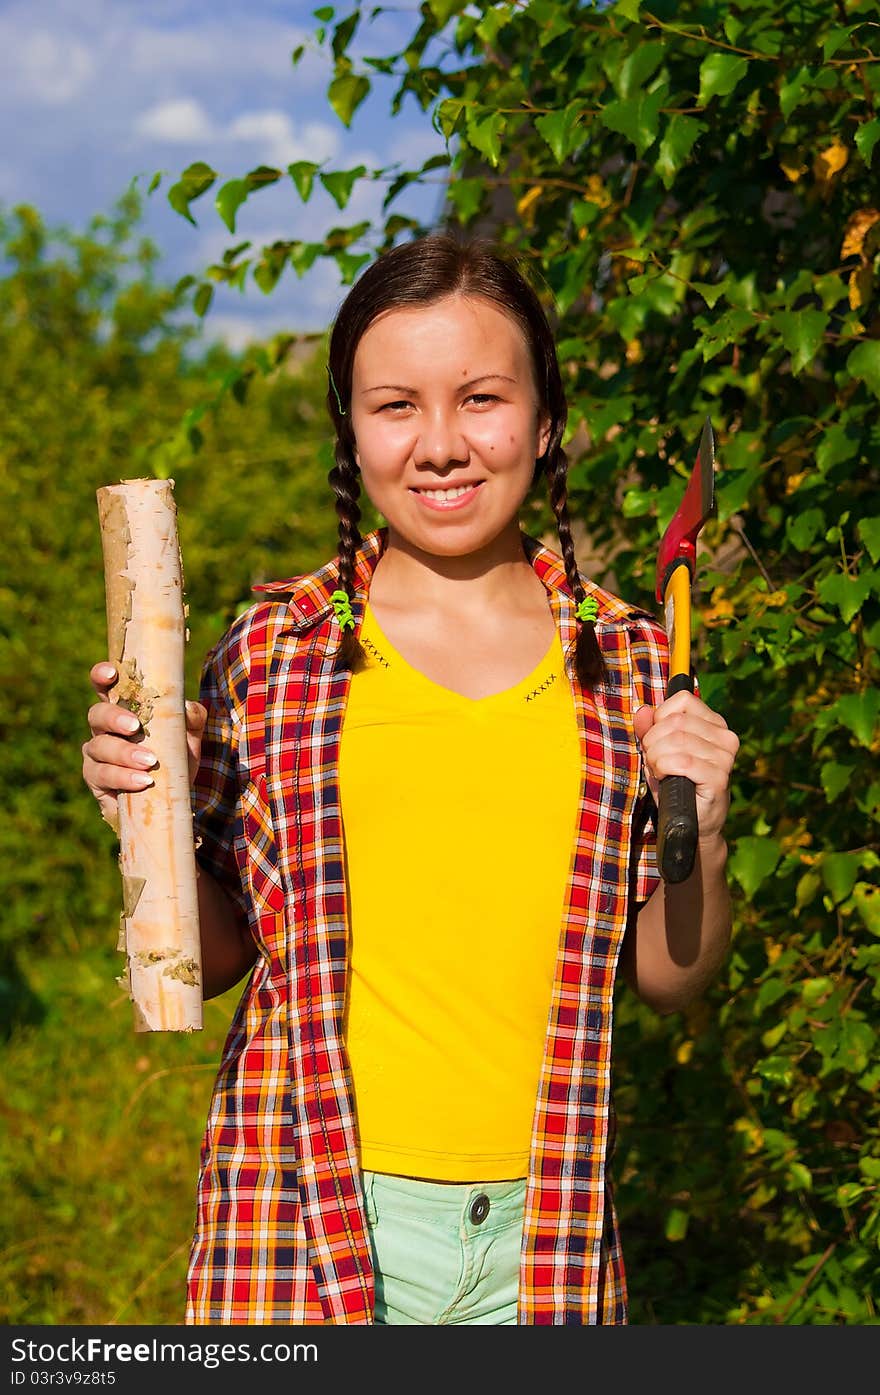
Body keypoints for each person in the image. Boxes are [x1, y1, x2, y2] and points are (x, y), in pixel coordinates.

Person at [82, 231, 739, 1326]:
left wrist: (704, 830)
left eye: (480, 398)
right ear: (350, 430)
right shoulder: (274, 653)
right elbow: (209, 962)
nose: (440, 444)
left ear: (542, 419)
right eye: (396, 406)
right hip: (295, 1219)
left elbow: (674, 978)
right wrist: (141, 815)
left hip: (553, 1233)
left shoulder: (626, 665)